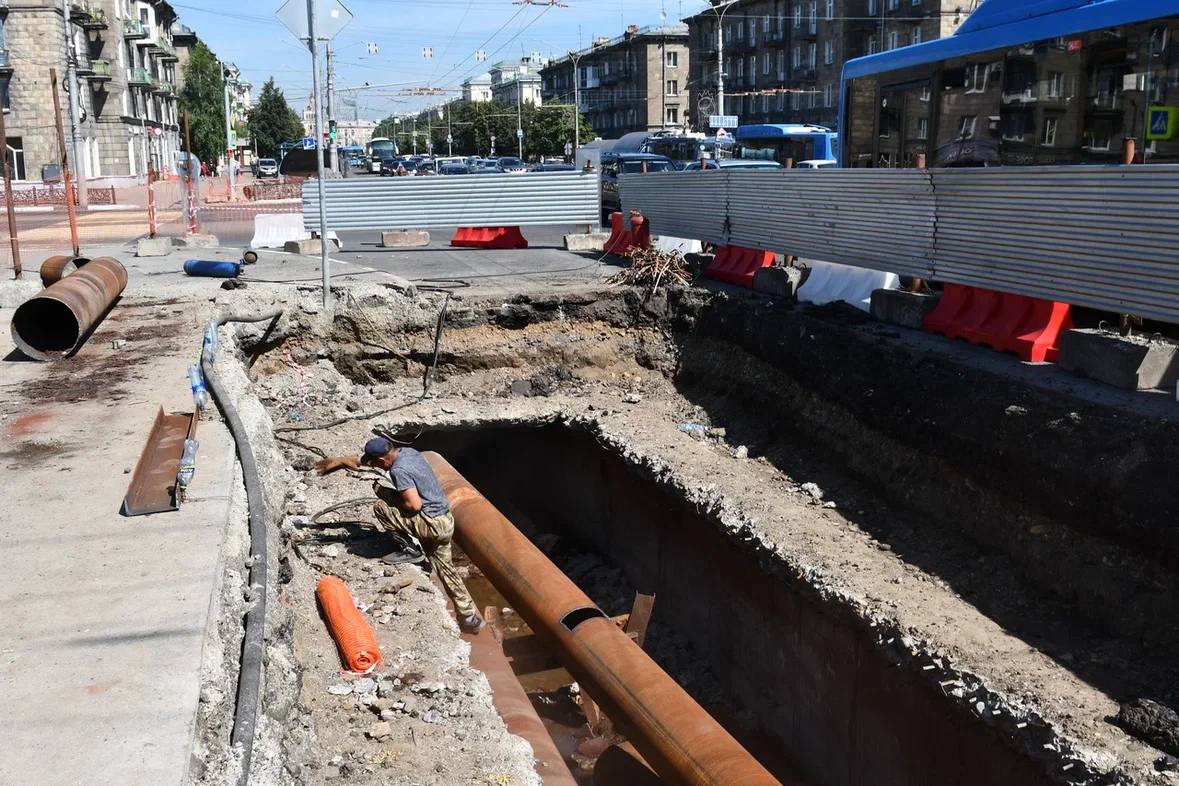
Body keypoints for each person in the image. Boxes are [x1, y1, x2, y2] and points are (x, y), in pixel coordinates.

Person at [315, 438, 484, 633]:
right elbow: (371, 460)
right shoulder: (409, 452)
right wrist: (344, 460)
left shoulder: (398, 471)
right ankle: (469, 617)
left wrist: (395, 500)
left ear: (383, 459)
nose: (375, 465)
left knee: (381, 503)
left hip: (431, 525)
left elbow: (414, 505)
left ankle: (409, 549)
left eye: (375, 462)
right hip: (445, 521)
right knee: (446, 569)